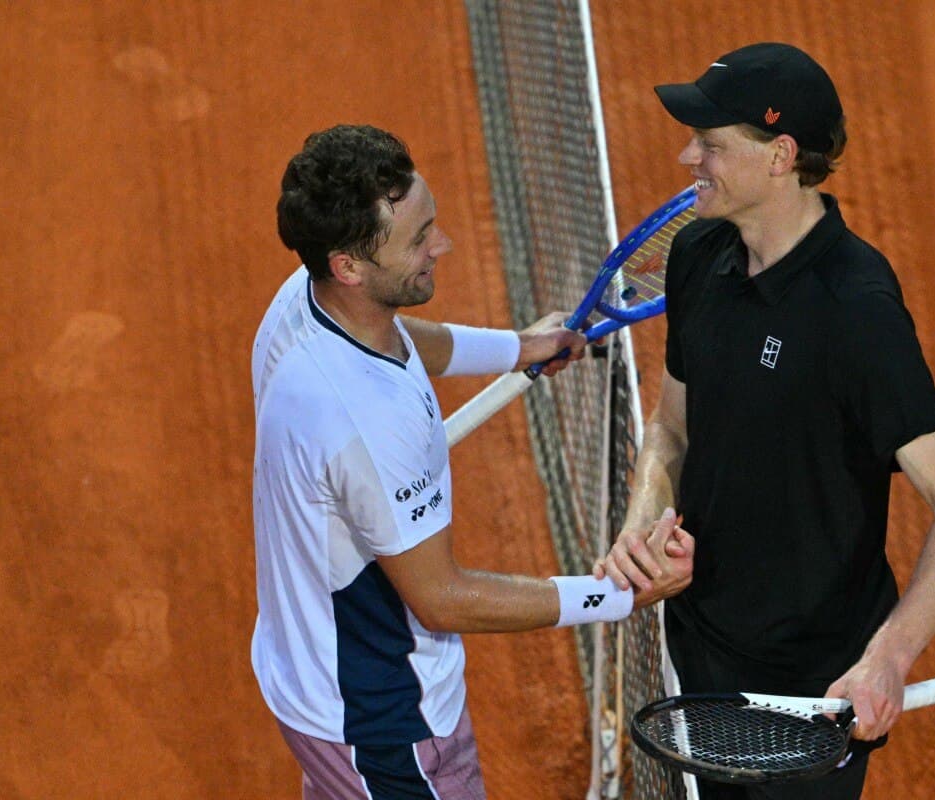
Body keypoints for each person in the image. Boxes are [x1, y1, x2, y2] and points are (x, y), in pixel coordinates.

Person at [597, 43, 935, 799]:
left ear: (780, 156)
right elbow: (671, 430)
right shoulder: (697, 254)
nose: (688, 156)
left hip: (814, 688)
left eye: (712, 144)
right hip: (701, 650)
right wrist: (642, 523)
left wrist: (889, 657)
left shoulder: (855, 310)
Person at [251, 124, 694, 800]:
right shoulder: (368, 423)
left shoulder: (304, 303)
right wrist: (618, 594)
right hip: (385, 727)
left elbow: (398, 335)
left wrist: (519, 347)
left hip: (311, 674)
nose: (442, 244)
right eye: (419, 238)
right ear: (349, 265)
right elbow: (441, 598)